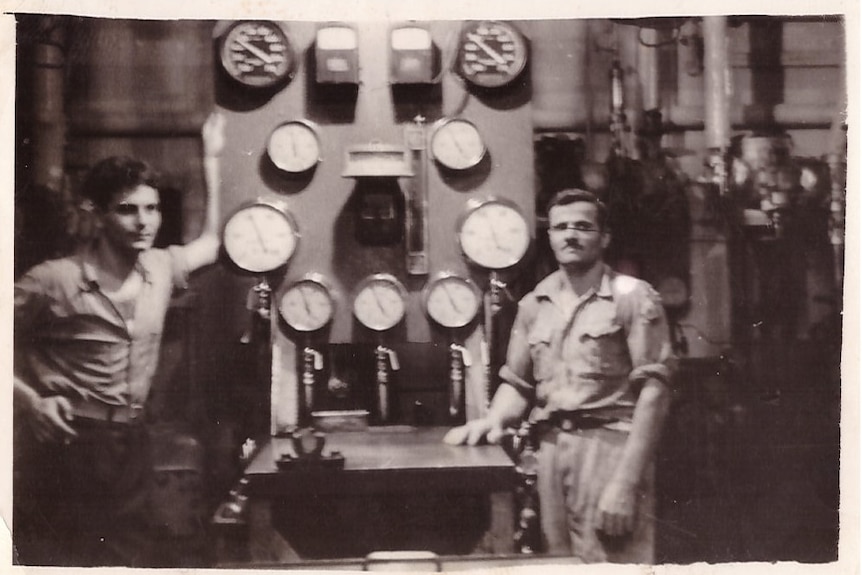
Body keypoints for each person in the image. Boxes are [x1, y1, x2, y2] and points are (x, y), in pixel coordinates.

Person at [13, 111, 226, 567]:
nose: (143, 222)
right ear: (97, 213)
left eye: (152, 209)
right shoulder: (54, 280)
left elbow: (211, 242)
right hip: (68, 443)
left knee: (131, 560)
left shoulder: (161, 268)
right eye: (127, 210)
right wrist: (30, 401)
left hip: (132, 441)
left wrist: (211, 158)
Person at [445, 189, 676, 564]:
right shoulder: (534, 303)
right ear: (549, 236)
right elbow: (518, 384)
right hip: (551, 453)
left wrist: (626, 482)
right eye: (561, 227)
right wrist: (491, 420)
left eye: (583, 227)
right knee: (557, 565)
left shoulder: (633, 297)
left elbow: (655, 393)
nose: (571, 235)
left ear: (604, 238)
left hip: (609, 452)